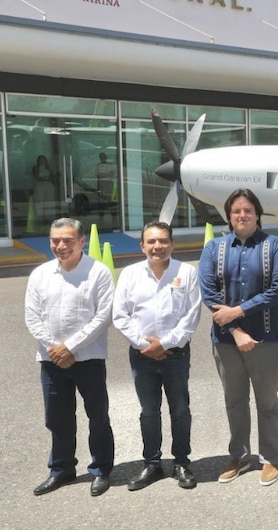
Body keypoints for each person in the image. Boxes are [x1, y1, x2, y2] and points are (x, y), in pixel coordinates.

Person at [199, 188, 278, 486]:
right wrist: (236, 330)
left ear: (257, 214)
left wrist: (238, 310)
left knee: (267, 401)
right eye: (236, 211)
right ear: (229, 216)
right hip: (226, 341)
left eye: (248, 210)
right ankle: (239, 456)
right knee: (235, 401)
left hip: (266, 338)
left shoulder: (275, 246)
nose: (242, 215)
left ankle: (270, 458)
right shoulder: (214, 249)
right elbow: (209, 294)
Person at [25, 218, 115, 497]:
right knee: (57, 418)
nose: (61, 245)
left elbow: (103, 316)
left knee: (97, 416)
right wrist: (54, 348)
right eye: (55, 240)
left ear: (81, 241)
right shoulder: (40, 274)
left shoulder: (98, 272)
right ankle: (61, 469)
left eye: (68, 240)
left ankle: (100, 469)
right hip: (51, 359)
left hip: (89, 358)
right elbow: (32, 315)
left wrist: (71, 347)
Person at [112, 221, 201, 490]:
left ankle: (182, 462)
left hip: (176, 354)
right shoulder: (130, 274)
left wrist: (164, 343)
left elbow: (191, 316)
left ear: (172, 244)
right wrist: (146, 345)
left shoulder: (186, 272)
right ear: (142, 246)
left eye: (163, 241)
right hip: (142, 355)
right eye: (151, 241)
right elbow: (120, 315)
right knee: (149, 412)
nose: (157, 246)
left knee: (180, 410)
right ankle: (152, 464)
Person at [32, 155, 56, 221]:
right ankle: (40, 217)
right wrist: (44, 178)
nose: (42, 161)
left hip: (48, 186)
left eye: (43, 159)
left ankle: (48, 217)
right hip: (39, 186)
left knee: (49, 201)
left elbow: (52, 176)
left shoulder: (48, 168)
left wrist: (47, 178)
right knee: (39, 201)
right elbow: (36, 176)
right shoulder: (36, 168)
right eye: (41, 160)